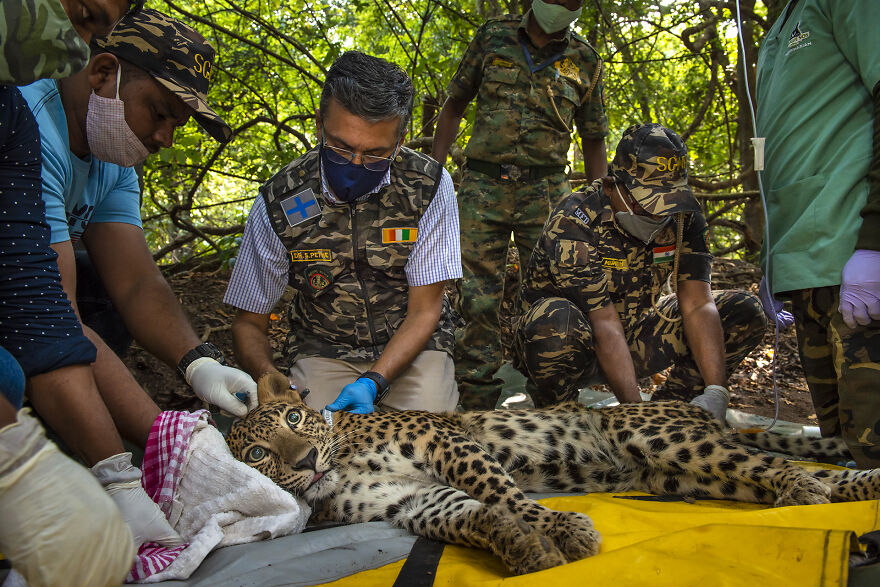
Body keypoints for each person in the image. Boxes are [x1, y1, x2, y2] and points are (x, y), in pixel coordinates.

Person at [9, 7, 257, 551]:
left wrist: (200, 363)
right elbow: (51, 314)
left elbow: (137, 283)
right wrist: (169, 447)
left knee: (101, 286)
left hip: (42, 305)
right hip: (20, 307)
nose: (165, 136)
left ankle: (82, 444)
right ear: (101, 74)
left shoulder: (112, 149)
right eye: (159, 112)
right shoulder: (28, 125)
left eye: (178, 124)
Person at [226, 51, 462, 415]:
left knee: (428, 441)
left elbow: (425, 311)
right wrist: (270, 378)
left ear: (399, 142)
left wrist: (373, 380)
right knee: (316, 442)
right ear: (319, 125)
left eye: (375, 154)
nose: (354, 165)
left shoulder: (426, 185)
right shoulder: (282, 200)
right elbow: (248, 321)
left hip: (413, 344)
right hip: (323, 348)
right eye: (341, 147)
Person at [0, 1, 141, 584]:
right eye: (79, 11)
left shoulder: (8, 111)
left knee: (10, 372)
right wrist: (15, 466)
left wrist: (121, 477)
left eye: (93, 28)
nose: (74, 44)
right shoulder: (39, 109)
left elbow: (32, 296)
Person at [512, 123, 767, 421]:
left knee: (743, 311)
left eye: (669, 201)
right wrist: (635, 416)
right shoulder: (575, 220)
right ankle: (564, 419)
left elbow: (698, 303)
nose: (661, 215)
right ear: (612, 186)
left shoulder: (685, 219)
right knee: (555, 321)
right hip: (566, 344)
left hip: (634, 333)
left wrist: (716, 391)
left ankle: (677, 413)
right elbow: (604, 323)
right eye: (649, 203)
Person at [432, 0, 609, 409]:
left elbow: (594, 138)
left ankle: (551, 400)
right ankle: (476, 403)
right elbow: (455, 105)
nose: (563, 6)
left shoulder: (584, 59)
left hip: (547, 191)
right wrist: (435, 175)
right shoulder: (493, 36)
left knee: (554, 297)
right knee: (476, 298)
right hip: (483, 186)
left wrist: (601, 210)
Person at [755, 0, 880, 466]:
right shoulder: (780, 26)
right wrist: (771, 259)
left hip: (852, 248)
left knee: (874, 452)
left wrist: (874, 244)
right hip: (804, 263)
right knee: (842, 455)